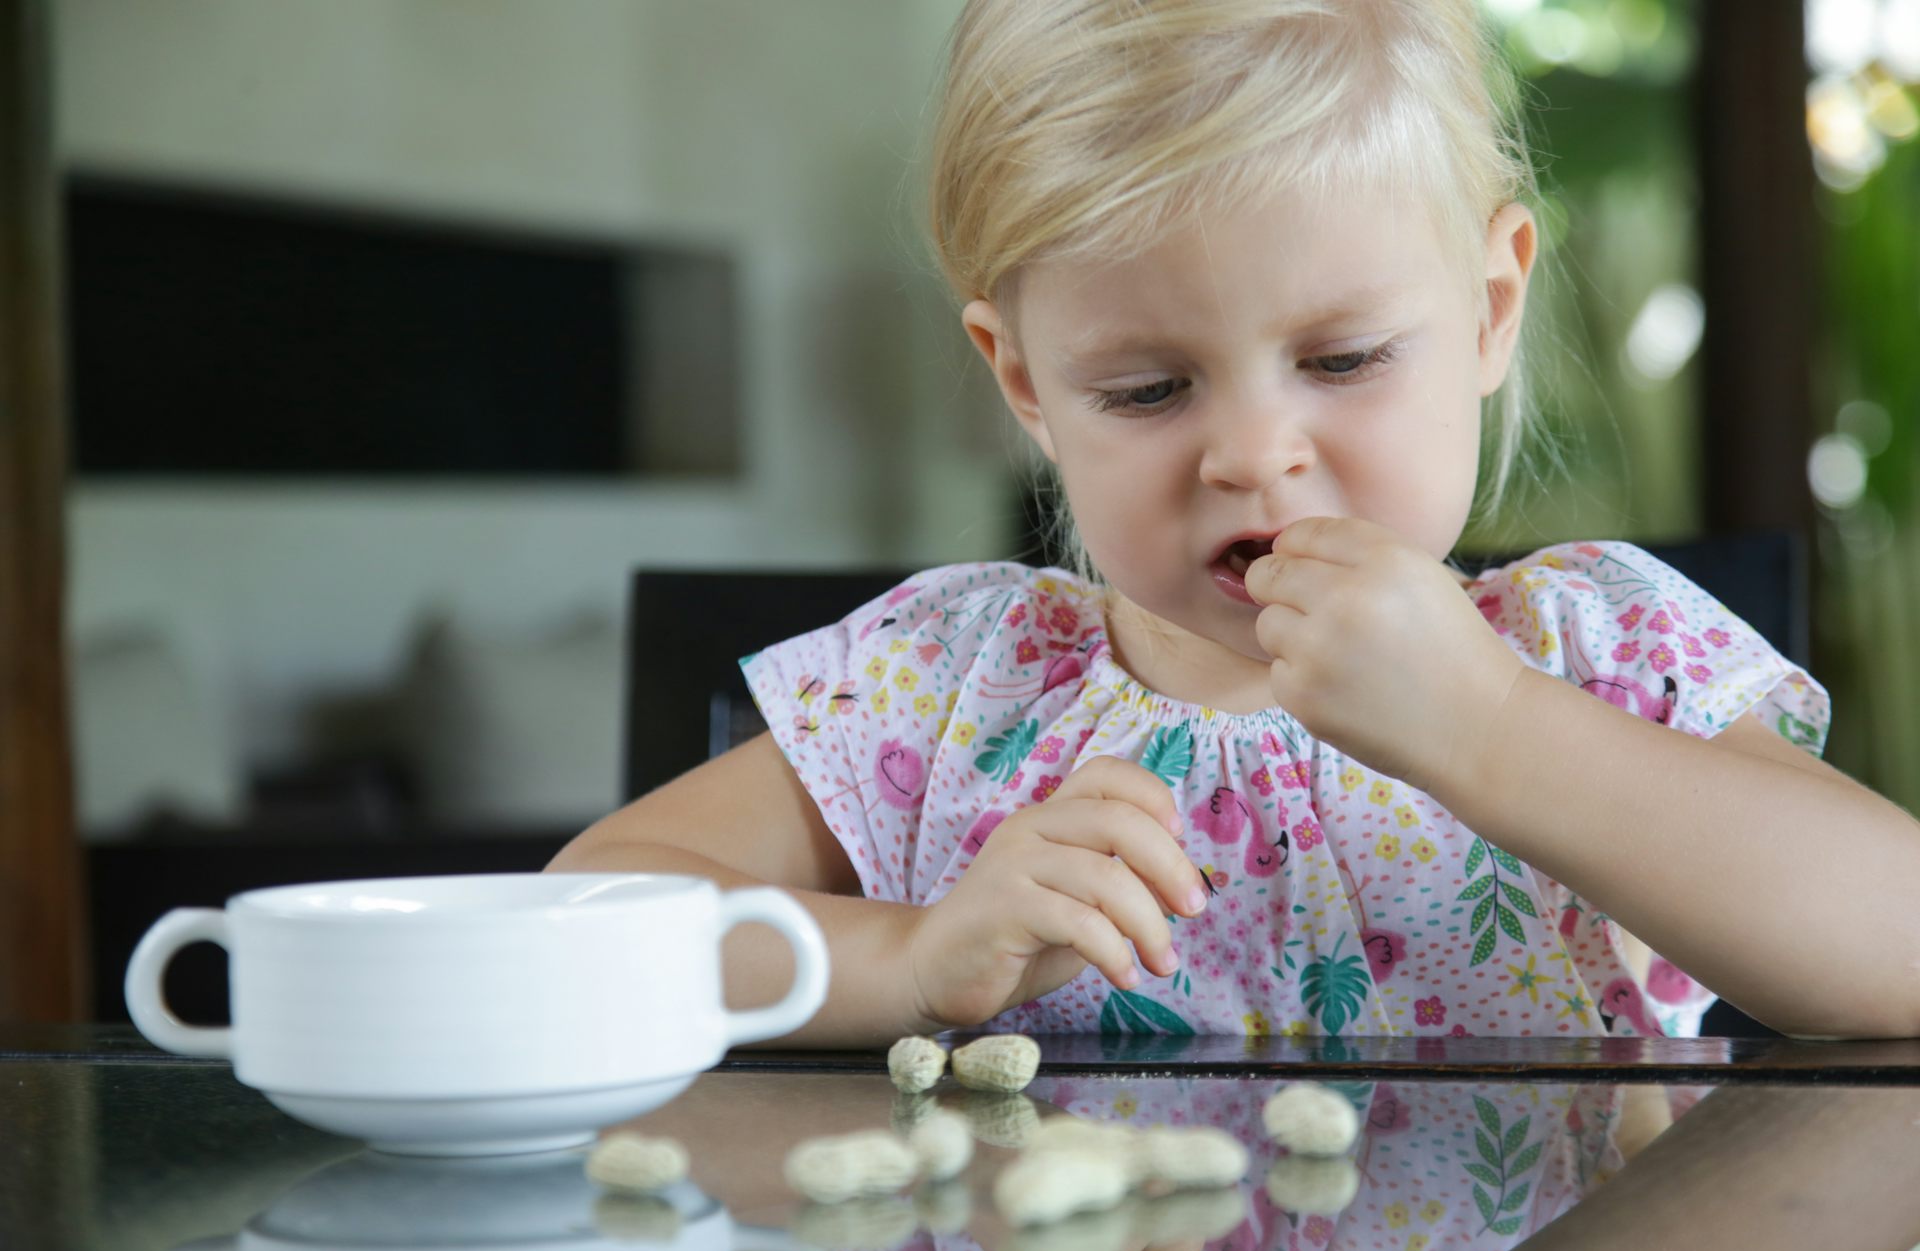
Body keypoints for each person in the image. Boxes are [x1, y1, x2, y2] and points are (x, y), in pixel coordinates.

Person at [550, 0, 1920, 1046]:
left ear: (1491, 310)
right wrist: (905, 961)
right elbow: (586, 927)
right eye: (1146, 389)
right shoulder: (949, 688)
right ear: (1027, 382)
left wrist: (1494, 727)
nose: (1254, 457)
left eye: (1343, 361)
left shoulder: (1592, 651)